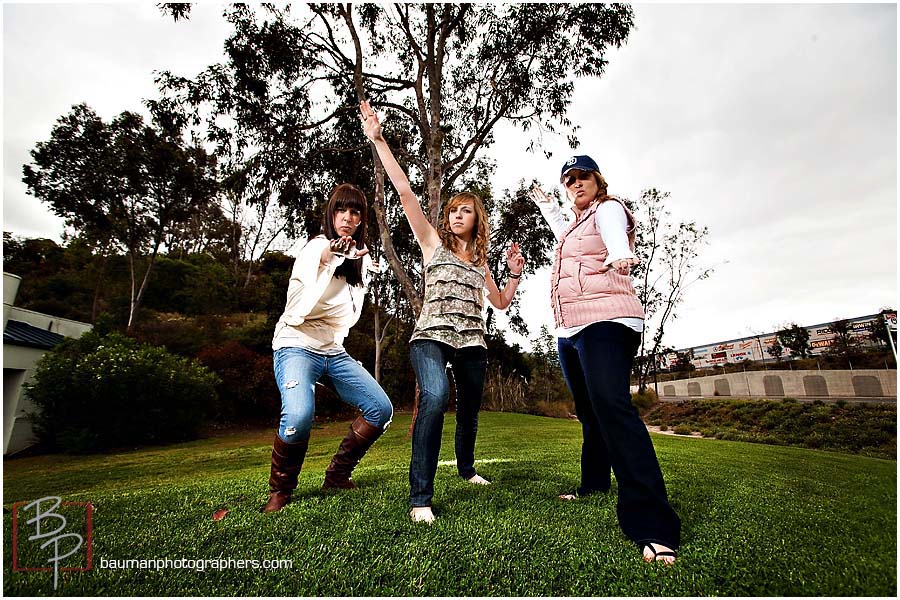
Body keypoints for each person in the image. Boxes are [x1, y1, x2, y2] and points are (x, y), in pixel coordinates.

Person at [360, 100, 525, 524]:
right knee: (435, 397)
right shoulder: (432, 243)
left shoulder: (482, 261)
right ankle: (421, 497)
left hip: (472, 342)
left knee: (469, 410)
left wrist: (515, 275)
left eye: (464, 210)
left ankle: (467, 470)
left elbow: (501, 303)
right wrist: (379, 141)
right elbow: (405, 192)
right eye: (452, 210)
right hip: (431, 335)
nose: (455, 215)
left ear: (477, 219)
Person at [529, 155, 681, 564]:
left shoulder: (609, 209)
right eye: (569, 181)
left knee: (612, 407)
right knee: (589, 411)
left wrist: (619, 253)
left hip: (608, 319)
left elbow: (615, 233)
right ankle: (594, 484)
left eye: (582, 178)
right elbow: (563, 231)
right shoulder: (574, 226)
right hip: (570, 328)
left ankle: (653, 525)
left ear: (597, 180)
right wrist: (546, 203)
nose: (576, 184)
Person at [262, 183, 394, 513]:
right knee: (299, 414)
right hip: (296, 344)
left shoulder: (360, 260)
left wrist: (359, 259)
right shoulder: (317, 246)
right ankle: (281, 490)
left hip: (332, 350)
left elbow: (349, 306)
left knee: (381, 408)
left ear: (363, 219)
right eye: (341, 210)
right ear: (330, 214)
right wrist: (335, 250)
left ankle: (337, 476)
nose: (347, 218)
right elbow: (322, 256)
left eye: (355, 212)